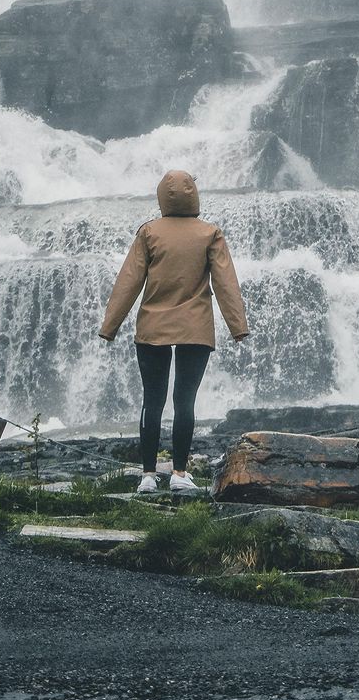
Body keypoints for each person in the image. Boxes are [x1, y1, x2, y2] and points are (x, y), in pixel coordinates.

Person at [99, 168, 249, 495]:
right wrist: (238, 327)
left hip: (152, 327)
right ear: (194, 193)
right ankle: (180, 473)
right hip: (195, 329)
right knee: (185, 401)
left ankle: (148, 476)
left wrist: (110, 326)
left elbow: (129, 282)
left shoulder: (149, 232)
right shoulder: (210, 233)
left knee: (152, 402)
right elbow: (226, 283)